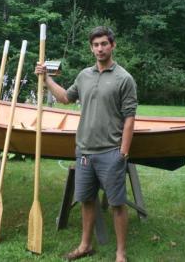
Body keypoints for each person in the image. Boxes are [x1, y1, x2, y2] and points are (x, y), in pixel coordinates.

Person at [35, 26, 137, 262]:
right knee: (86, 200)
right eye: (96, 45)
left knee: (117, 204)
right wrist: (46, 79)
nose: (100, 48)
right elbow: (65, 98)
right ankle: (85, 245)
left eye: (104, 43)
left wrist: (123, 153)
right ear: (91, 48)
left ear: (112, 45)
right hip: (84, 152)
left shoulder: (124, 78)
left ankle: (121, 253)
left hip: (111, 152)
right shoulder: (84, 76)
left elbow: (130, 119)